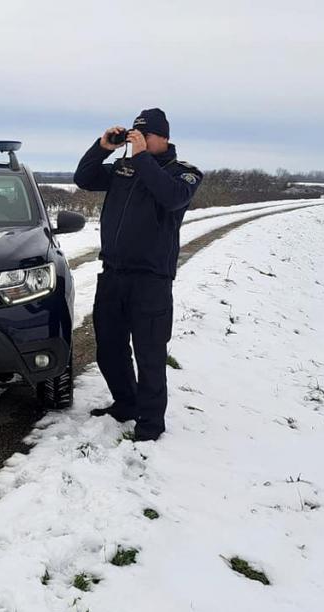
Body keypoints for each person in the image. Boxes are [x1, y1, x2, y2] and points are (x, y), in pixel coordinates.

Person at [74, 108, 202, 441]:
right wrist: (103, 147)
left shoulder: (184, 174)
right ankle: (126, 403)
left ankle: (150, 424)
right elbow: (84, 178)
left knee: (150, 353)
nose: (139, 141)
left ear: (164, 137)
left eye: (146, 136)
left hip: (151, 280)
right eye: (136, 135)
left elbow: (172, 198)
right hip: (113, 275)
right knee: (110, 348)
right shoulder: (122, 168)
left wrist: (143, 157)